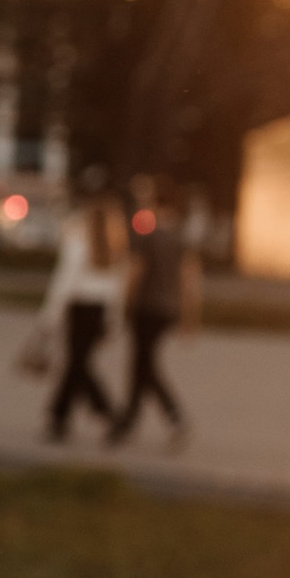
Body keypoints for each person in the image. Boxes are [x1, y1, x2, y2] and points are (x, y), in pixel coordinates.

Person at [37, 176, 126, 442]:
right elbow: (116, 288)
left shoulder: (79, 238)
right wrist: (113, 320)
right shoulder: (113, 243)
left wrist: (50, 314)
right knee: (78, 364)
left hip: (79, 308)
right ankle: (59, 417)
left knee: (78, 365)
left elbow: (65, 280)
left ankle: (106, 413)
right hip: (99, 310)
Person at [111, 184, 198, 447]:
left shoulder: (148, 237)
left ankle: (174, 417)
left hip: (146, 308)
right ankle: (127, 422)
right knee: (142, 365)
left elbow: (135, 273)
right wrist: (190, 316)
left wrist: (123, 306)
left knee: (143, 366)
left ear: (156, 205)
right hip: (169, 310)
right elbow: (189, 280)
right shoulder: (181, 238)